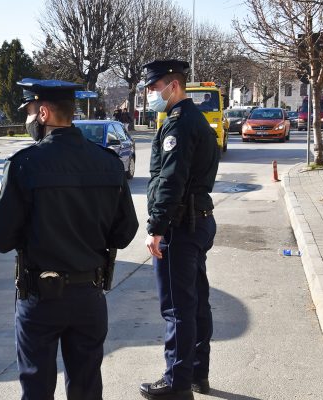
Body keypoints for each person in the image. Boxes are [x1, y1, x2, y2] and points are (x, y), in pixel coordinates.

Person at [0, 78, 139, 400]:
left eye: (29, 111)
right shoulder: (108, 163)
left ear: (43, 113)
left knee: (37, 389)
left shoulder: (25, 164)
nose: (28, 120)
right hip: (89, 296)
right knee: (86, 389)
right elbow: (125, 232)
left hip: (40, 298)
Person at [139, 60, 220, 400]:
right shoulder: (193, 119)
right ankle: (196, 372)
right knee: (196, 301)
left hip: (179, 226)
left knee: (177, 307)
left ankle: (177, 381)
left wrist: (156, 227)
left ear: (173, 86)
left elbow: (170, 181)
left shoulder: (179, 125)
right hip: (197, 220)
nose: (149, 94)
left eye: (154, 87)